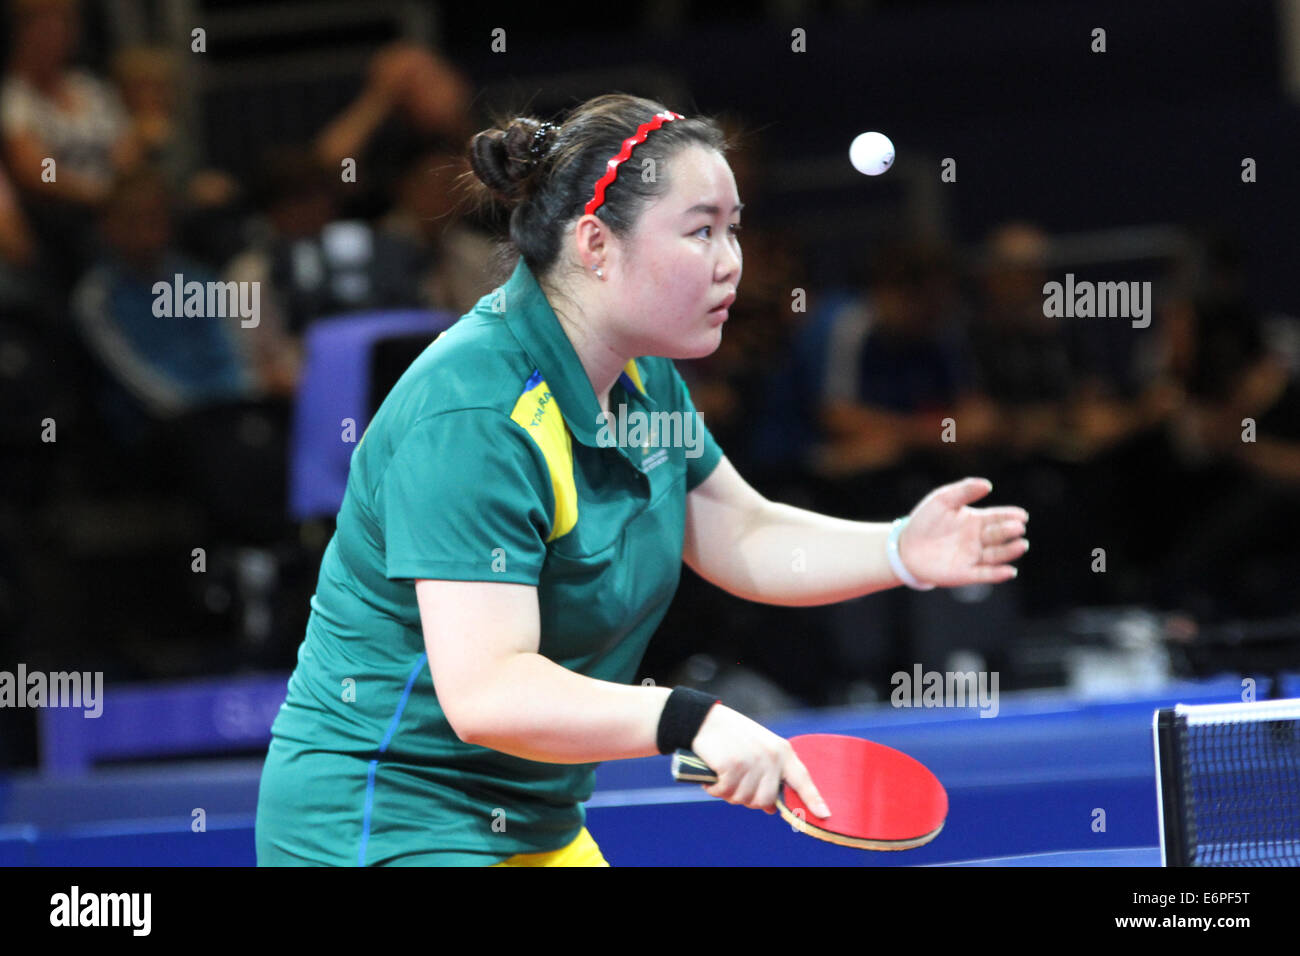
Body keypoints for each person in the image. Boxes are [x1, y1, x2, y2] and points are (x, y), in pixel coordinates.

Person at [254, 93, 1030, 867]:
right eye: (700, 231)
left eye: (734, 228)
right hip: (380, 824)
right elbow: (487, 693)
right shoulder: (475, 415)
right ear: (595, 243)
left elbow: (740, 529)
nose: (733, 263)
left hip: (535, 820)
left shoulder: (642, 379)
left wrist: (899, 549)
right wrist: (689, 720)